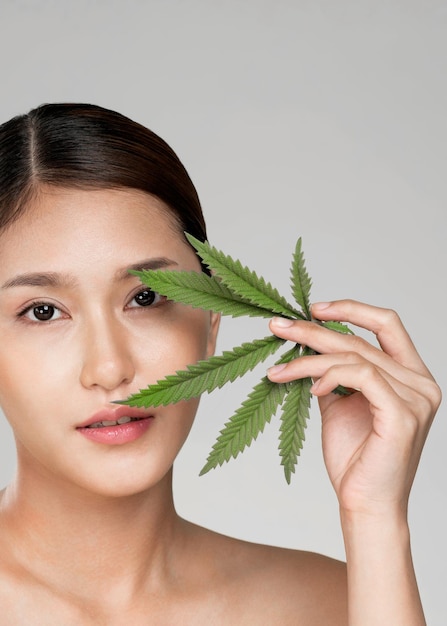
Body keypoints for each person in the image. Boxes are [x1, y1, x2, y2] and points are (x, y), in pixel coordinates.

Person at [0, 103, 440, 625]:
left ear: (212, 320)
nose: (109, 367)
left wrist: (375, 519)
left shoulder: (333, 604)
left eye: (146, 298)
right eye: (43, 311)